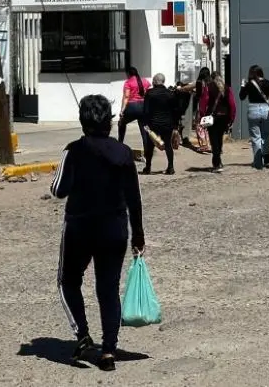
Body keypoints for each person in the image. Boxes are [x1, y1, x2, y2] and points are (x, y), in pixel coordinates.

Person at [51, 94, 146, 372]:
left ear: (82, 121)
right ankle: (108, 352)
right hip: (115, 229)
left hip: (79, 227)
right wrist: (138, 233)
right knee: (108, 289)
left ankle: (82, 334)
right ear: (110, 119)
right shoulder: (124, 153)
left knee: (67, 281)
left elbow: (59, 190)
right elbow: (134, 197)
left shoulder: (73, 150)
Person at [239, 65, 269, 170]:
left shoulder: (249, 84)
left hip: (253, 109)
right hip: (265, 109)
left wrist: (242, 85)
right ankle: (266, 154)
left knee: (255, 137)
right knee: (265, 133)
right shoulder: (267, 83)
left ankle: (258, 162)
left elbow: (242, 97)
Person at [141, 73, 178, 175]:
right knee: (168, 145)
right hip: (167, 123)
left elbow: (146, 111)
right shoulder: (170, 93)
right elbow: (175, 110)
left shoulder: (149, 93)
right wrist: (175, 125)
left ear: (155, 81)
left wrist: (145, 123)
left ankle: (148, 167)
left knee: (150, 146)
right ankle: (171, 167)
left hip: (153, 124)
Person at [198, 75, 236, 173]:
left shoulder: (209, 87)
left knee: (214, 140)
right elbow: (232, 104)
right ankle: (218, 160)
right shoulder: (227, 88)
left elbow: (203, 102)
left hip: (212, 117)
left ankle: (217, 163)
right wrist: (232, 118)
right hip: (224, 117)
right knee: (219, 139)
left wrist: (202, 115)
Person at [116, 66, 151, 147]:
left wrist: (122, 111)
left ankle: (119, 145)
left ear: (128, 74)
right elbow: (149, 89)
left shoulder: (128, 82)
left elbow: (126, 97)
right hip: (143, 107)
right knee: (144, 130)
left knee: (121, 124)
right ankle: (147, 154)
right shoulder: (144, 80)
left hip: (132, 107)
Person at [190, 67, 213, 154]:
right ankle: (209, 144)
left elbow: (198, 95)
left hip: (202, 105)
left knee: (199, 125)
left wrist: (194, 92)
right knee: (207, 126)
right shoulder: (210, 82)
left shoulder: (199, 82)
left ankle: (203, 144)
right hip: (209, 105)